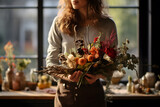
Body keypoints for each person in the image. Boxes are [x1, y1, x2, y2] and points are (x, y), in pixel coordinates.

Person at [46, 0, 118, 107]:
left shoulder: (107, 25)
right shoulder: (59, 23)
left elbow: (113, 63)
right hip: (66, 94)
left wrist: (97, 75)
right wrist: (67, 76)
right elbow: (50, 63)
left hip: (94, 95)